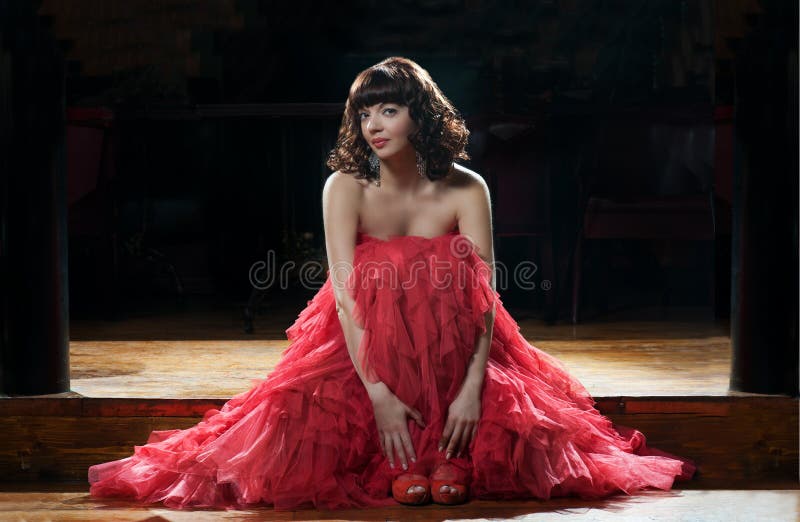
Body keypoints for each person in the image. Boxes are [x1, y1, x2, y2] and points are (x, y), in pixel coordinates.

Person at [87, 57, 694, 510]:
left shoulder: (467, 187)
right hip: (363, 343)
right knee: (312, 417)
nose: (374, 124)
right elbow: (345, 296)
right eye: (364, 112)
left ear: (419, 115)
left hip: (459, 342)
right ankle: (407, 454)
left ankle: (441, 453)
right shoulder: (344, 187)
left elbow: (483, 299)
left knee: (493, 407)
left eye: (389, 109)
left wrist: (471, 388)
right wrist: (375, 389)